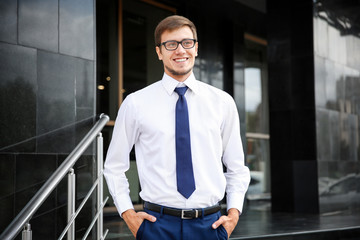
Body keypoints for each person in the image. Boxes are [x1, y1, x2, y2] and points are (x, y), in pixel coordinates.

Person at [104, 15, 250, 240]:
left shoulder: (222, 102)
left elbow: (236, 167)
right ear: (159, 52)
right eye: (170, 44)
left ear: (196, 47)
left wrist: (233, 214)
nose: (180, 50)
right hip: (156, 226)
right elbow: (114, 166)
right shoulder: (135, 103)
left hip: (210, 226)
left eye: (187, 42)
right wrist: (128, 214)